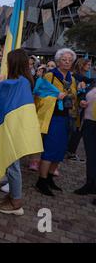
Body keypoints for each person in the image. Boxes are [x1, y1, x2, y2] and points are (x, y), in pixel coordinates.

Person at [35, 48, 86, 196]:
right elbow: (39, 95)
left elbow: (76, 96)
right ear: (58, 61)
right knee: (50, 149)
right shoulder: (50, 76)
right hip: (53, 117)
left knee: (60, 150)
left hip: (68, 117)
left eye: (70, 60)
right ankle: (41, 180)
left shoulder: (73, 78)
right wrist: (55, 97)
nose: (67, 62)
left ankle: (50, 178)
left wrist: (80, 101)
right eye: (64, 59)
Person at [0, 49, 34, 216]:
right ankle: (12, 197)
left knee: (13, 166)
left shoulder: (16, 83)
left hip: (12, 129)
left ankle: (16, 201)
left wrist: (0, 85)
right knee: (11, 164)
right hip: (16, 127)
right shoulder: (25, 81)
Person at [67, 58, 93, 161]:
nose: (89, 67)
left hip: (81, 106)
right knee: (75, 129)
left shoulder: (84, 77)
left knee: (77, 129)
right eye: (88, 65)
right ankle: (70, 152)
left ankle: (71, 151)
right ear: (82, 65)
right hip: (75, 106)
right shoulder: (76, 76)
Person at [74, 79, 96, 196]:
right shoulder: (93, 83)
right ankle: (90, 184)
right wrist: (82, 101)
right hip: (89, 124)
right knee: (91, 156)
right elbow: (84, 95)